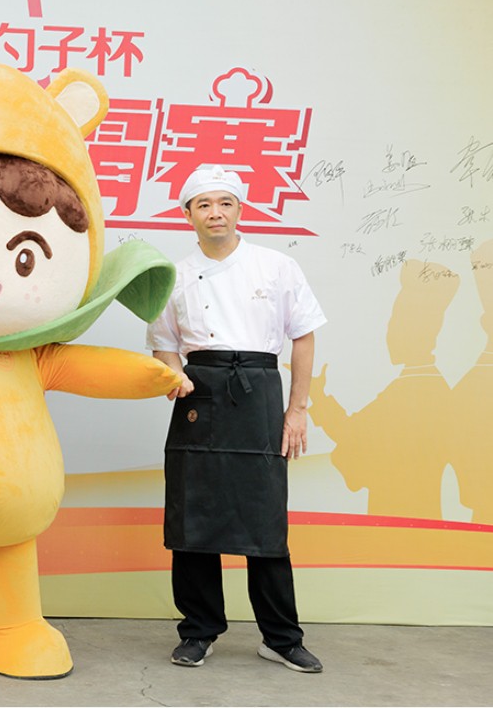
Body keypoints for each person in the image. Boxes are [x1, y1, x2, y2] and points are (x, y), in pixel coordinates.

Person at [146, 165, 326, 673]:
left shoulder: (277, 266)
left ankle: (281, 638)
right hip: (199, 396)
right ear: (187, 215)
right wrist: (175, 377)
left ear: (240, 209)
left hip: (260, 392)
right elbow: (164, 342)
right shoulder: (175, 275)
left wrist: (297, 409)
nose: (215, 213)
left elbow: (304, 336)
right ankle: (198, 632)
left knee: (264, 520)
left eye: (225, 203)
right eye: (203, 204)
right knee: (193, 519)